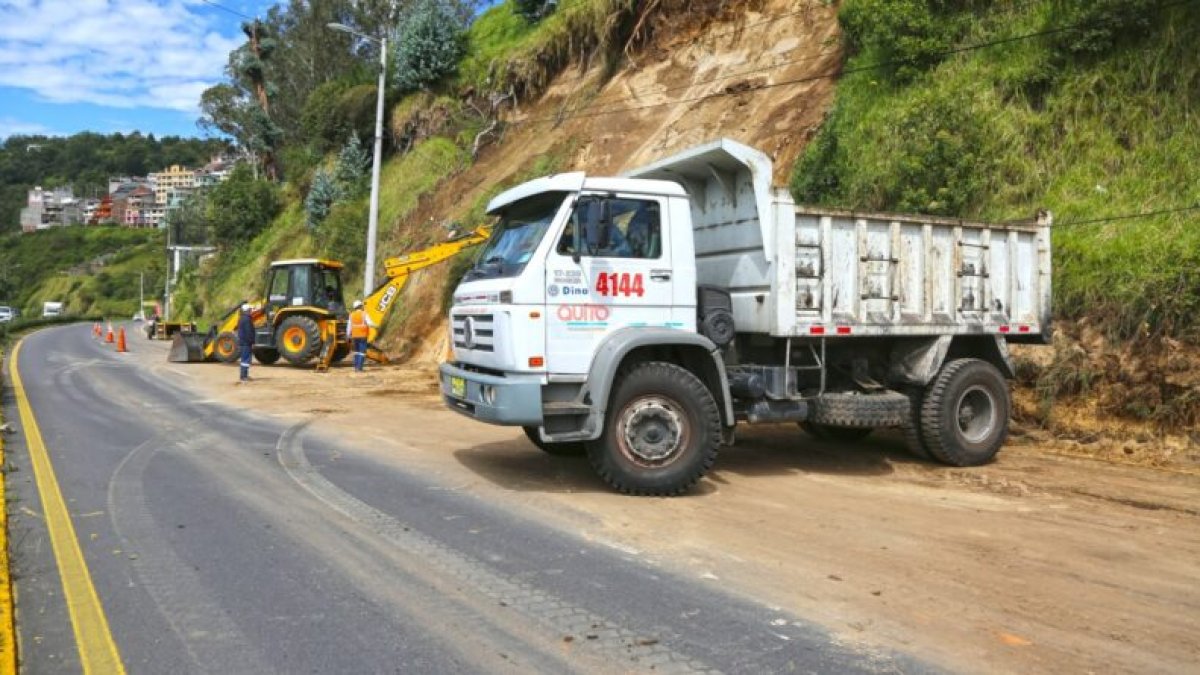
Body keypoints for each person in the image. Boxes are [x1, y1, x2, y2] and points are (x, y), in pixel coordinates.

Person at [347, 299, 375, 373]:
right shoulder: (364, 314)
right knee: (362, 352)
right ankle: (359, 368)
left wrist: (348, 335)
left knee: (356, 351)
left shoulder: (351, 315)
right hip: (363, 335)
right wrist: (375, 326)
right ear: (360, 306)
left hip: (355, 336)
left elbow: (349, 326)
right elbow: (369, 323)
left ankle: (356, 367)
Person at [236, 303, 255, 383]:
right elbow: (248, 332)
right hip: (246, 342)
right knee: (246, 359)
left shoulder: (242, 318)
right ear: (247, 310)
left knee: (245, 359)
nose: (251, 311)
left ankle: (244, 375)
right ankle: (243, 377)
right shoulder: (247, 319)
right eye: (250, 309)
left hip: (243, 341)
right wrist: (252, 341)